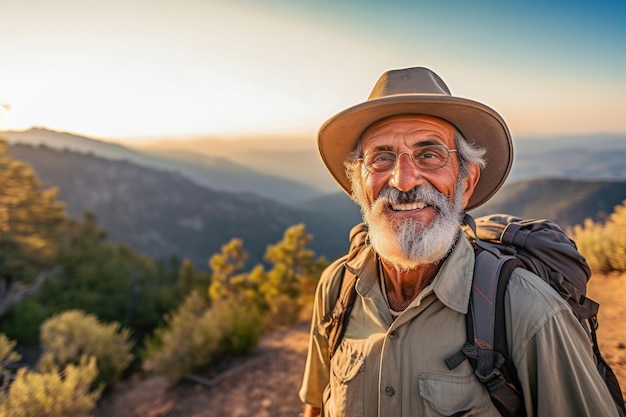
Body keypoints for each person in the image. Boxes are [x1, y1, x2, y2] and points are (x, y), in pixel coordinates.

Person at [298, 67, 619, 417]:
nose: (404, 181)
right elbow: (315, 406)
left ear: (466, 183)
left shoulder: (527, 311)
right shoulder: (336, 288)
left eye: (429, 155)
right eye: (381, 158)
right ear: (360, 185)